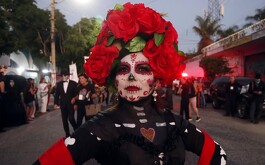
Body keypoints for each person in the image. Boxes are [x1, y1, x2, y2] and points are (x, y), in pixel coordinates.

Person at [34, 3, 226, 165]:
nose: (132, 76)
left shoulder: (174, 123)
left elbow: (217, 153)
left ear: (157, 78)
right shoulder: (101, 127)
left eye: (142, 69)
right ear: (113, 79)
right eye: (123, 69)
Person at [54, 69, 78, 137]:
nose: (63, 77)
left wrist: (75, 103)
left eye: (64, 75)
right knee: (64, 120)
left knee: (71, 118)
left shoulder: (73, 83)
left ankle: (76, 129)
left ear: (68, 76)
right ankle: (67, 134)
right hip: (63, 104)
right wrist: (55, 103)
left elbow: (76, 94)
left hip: (71, 104)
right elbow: (57, 95)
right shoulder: (59, 84)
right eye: (62, 76)